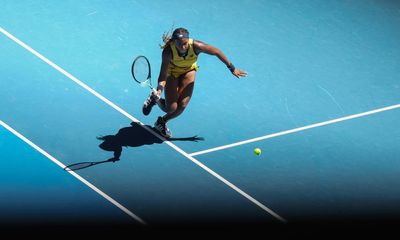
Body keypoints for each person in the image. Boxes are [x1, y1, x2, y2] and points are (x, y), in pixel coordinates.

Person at [142, 27, 247, 138]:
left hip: (189, 70)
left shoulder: (197, 46)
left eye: (185, 43)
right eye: (179, 44)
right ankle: (155, 99)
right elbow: (163, 75)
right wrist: (159, 90)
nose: (183, 47)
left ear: (189, 40)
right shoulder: (168, 52)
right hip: (172, 73)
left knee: (182, 105)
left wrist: (232, 68)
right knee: (171, 108)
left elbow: (216, 52)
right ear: (174, 42)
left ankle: (161, 122)